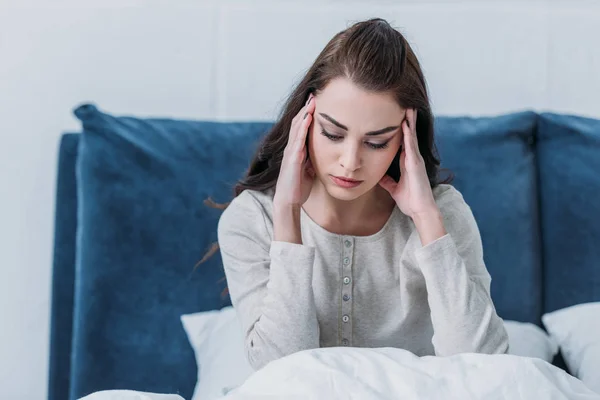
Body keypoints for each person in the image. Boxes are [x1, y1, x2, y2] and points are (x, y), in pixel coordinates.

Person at [206, 18, 509, 371]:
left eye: (376, 142)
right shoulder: (251, 219)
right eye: (333, 134)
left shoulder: (442, 214)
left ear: (405, 138)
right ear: (305, 118)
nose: (350, 163)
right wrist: (287, 213)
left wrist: (427, 221)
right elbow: (282, 375)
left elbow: (485, 367)